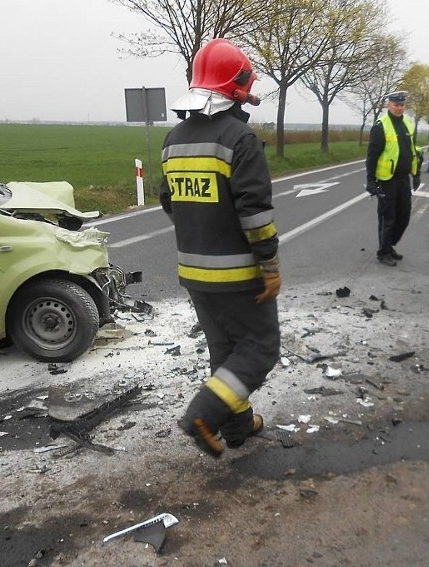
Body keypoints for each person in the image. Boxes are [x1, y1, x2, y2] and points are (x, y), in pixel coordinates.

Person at [160, 38, 280, 458]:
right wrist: (269, 264)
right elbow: (255, 213)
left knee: (225, 350)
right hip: (238, 273)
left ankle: (238, 426)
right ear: (238, 85)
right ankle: (204, 415)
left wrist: (201, 228)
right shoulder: (240, 138)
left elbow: (169, 201)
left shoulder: (173, 140)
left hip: (195, 273)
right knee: (260, 347)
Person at [365, 90, 420, 266]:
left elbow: (413, 151)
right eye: (396, 105)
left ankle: (390, 245)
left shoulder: (408, 124)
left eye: (402, 105)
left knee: (404, 216)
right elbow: (372, 156)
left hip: (404, 178)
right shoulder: (381, 125)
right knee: (388, 217)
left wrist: (416, 174)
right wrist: (371, 181)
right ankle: (384, 252)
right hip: (387, 179)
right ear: (389, 105)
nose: (399, 108)